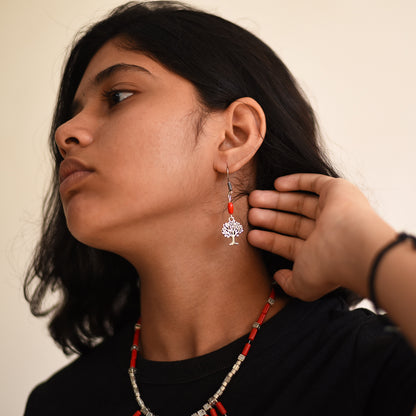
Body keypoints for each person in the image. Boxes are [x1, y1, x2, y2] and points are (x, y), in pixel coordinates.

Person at [23, 2, 416, 415]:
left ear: (235, 135)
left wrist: (371, 251)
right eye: (72, 113)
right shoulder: (60, 404)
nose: (64, 132)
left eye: (118, 96)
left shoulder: (374, 369)